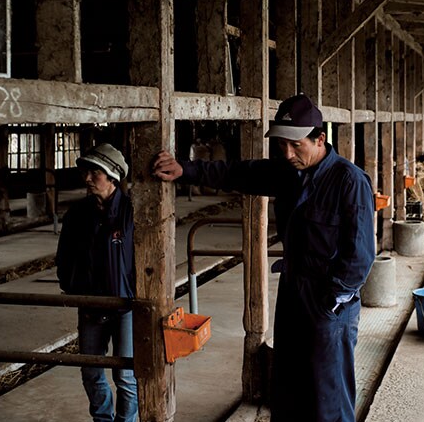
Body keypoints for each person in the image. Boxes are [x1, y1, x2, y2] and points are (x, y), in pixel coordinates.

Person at [153, 94, 376, 422]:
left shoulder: (348, 181)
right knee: (286, 389)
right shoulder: (288, 172)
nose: (287, 153)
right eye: (282, 145)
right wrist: (184, 169)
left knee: (327, 395)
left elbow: (360, 255)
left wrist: (332, 302)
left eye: (295, 145)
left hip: (329, 301)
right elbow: (238, 173)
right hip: (293, 290)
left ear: (320, 139)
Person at [56, 143, 138, 422]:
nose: (88, 178)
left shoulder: (132, 212)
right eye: (86, 173)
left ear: (113, 175)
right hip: (90, 303)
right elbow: (64, 255)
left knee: (125, 373)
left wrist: (135, 290)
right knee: (90, 370)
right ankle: (103, 419)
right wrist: (72, 285)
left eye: (95, 172)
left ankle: (126, 421)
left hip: (125, 304)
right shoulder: (77, 214)